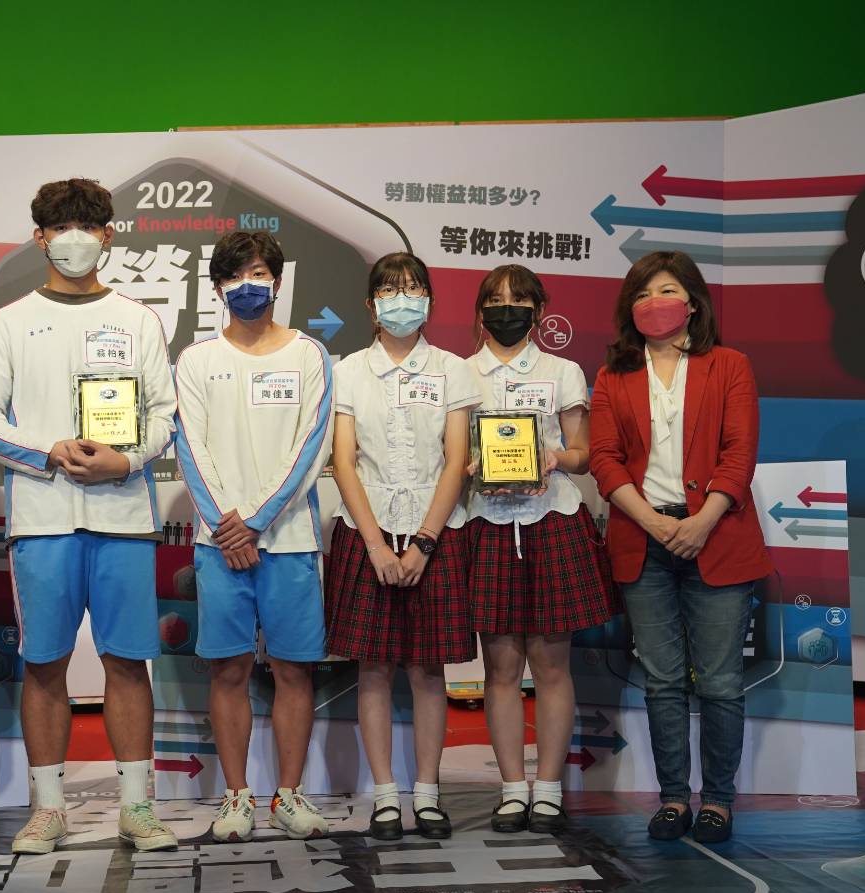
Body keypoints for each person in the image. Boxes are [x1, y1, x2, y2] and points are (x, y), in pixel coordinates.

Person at [0, 178, 179, 855]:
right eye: (61, 226)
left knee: (128, 663)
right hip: (42, 518)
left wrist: (127, 460)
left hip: (123, 516)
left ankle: (137, 808)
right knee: (44, 665)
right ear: (40, 237)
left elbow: (164, 417)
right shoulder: (8, 322)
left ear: (108, 235)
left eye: (88, 225)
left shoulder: (138, 319)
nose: (75, 238)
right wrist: (47, 452)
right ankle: (49, 810)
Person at [589, 250, 772, 844]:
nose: (653, 303)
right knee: (663, 681)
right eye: (642, 294)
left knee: (719, 682)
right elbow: (604, 459)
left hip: (717, 537)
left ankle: (718, 800)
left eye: (666, 291)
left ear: (692, 301)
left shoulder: (730, 365)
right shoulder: (613, 374)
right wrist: (652, 522)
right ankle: (673, 798)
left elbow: (739, 453)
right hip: (643, 543)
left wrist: (702, 521)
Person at [174, 229, 334, 842]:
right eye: (236, 276)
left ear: (278, 282)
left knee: (294, 671)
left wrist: (258, 521)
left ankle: (288, 795)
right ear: (218, 287)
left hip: (289, 540)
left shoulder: (310, 355)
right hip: (220, 544)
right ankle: (236, 796)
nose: (249, 286)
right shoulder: (196, 360)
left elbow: (310, 445)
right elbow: (190, 448)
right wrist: (229, 528)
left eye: (260, 274)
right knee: (229, 671)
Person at [326, 253, 478, 840]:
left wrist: (423, 543)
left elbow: (456, 461)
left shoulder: (453, 369)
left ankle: (429, 792)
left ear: (429, 302)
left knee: (428, 671)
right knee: (372, 670)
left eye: (414, 289)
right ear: (372, 305)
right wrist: (375, 546)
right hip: (366, 531)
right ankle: (386, 795)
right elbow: (344, 462)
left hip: (433, 533)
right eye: (390, 290)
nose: (402, 299)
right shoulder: (348, 370)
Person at [463, 264, 618, 834]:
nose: (507, 309)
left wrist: (553, 459)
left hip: (551, 520)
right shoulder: (460, 374)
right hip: (487, 524)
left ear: (539, 310)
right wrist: (472, 465)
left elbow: (582, 453)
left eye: (519, 299)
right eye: (496, 300)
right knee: (501, 667)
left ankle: (548, 788)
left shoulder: (563, 371)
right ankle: (511, 789)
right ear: (481, 311)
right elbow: (449, 455)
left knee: (552, 665)